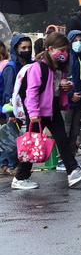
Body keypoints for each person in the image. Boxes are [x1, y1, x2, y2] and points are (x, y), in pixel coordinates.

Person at [11, 32, 81, 190]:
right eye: (61, 50)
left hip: (52, 109)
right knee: (32, 145)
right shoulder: (38, 67)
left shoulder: (58, 68)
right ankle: (20, 178)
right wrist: (34, 113)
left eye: (66, 50)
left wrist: (66, 87)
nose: (64, 53)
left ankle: (72, 171)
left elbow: (54, 89)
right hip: (38, 113)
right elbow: (31, 92)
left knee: (62, 140)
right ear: (49, 49)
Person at [1, 35, 32, 175]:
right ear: (15, 49)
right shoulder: (11, 68)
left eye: (29, 48)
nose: (27, 50)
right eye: (23, 48)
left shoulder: (28, 65)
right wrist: (11, 114)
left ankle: (7, 165)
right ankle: (10, 165)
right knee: (11, 138)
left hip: (23, 108)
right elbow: (8, 93)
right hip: (11, 110)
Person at [62, 30, 81, 160]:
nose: (78, 43)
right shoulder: (65, 60)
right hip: (66, 102)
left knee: (75, 129)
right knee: (66, 129)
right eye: (75, 40)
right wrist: (70, 95)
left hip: (80, 100)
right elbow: (61, 81)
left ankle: (72, 157)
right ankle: (62, 157)